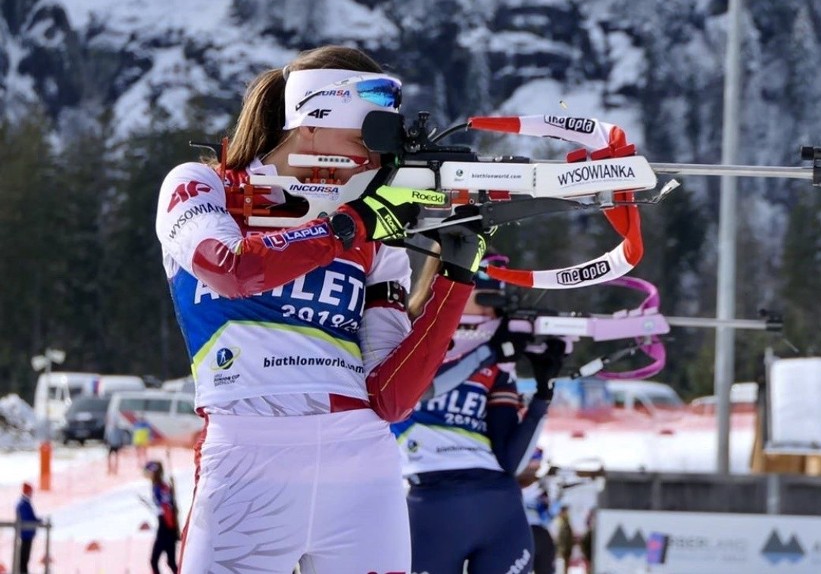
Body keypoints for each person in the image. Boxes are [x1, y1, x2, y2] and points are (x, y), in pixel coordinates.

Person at [154, 45, 488, 573]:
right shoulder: (205, 186)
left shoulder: (377, 234)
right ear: (309, 123)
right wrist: (349, 225)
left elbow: (392, 397)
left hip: (361, 466)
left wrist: (456, 275)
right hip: (247, 455)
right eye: (362, 141)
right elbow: (231, 269)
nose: (373, 162)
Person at [391, 255, 567, 574]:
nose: (490, 313)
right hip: (431, 502)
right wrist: (486, 355)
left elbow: (509, 459)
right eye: (485, 298)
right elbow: (413, 393)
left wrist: (544, 392)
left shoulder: (497, 361)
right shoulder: (404, 333)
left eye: (498, 306)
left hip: (499, 506)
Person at [518, 447, 558, 574]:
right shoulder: (512, 485)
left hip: (538, 533)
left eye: (536, 466)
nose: (533, 468)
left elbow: (547, 515)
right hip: (523, 533)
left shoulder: (542, 486)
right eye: (530, 466)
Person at [144, 460, 179, 574]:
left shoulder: (160, 487)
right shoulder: (160, 486)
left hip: (166, 527)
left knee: (155, 561)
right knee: (171, 563)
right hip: (168, 526)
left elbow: (166, 507)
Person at [14, 482, 39, 574]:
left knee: (25, 557)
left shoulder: (25, 503)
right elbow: (28, 517)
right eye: (30, 491)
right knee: (24, 557)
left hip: (28, 533)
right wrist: (35, 521)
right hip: (26, 533)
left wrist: (37, 520)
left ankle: (23, 571)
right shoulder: (23, 504)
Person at [553, 505, 575, 574]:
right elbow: (556, 537)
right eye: (566, 512)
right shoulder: (558, 522)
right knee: (560, 569)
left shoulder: (566, 522)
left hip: (566, 551)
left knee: (565, 569)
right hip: (561, 552)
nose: (567, 513)